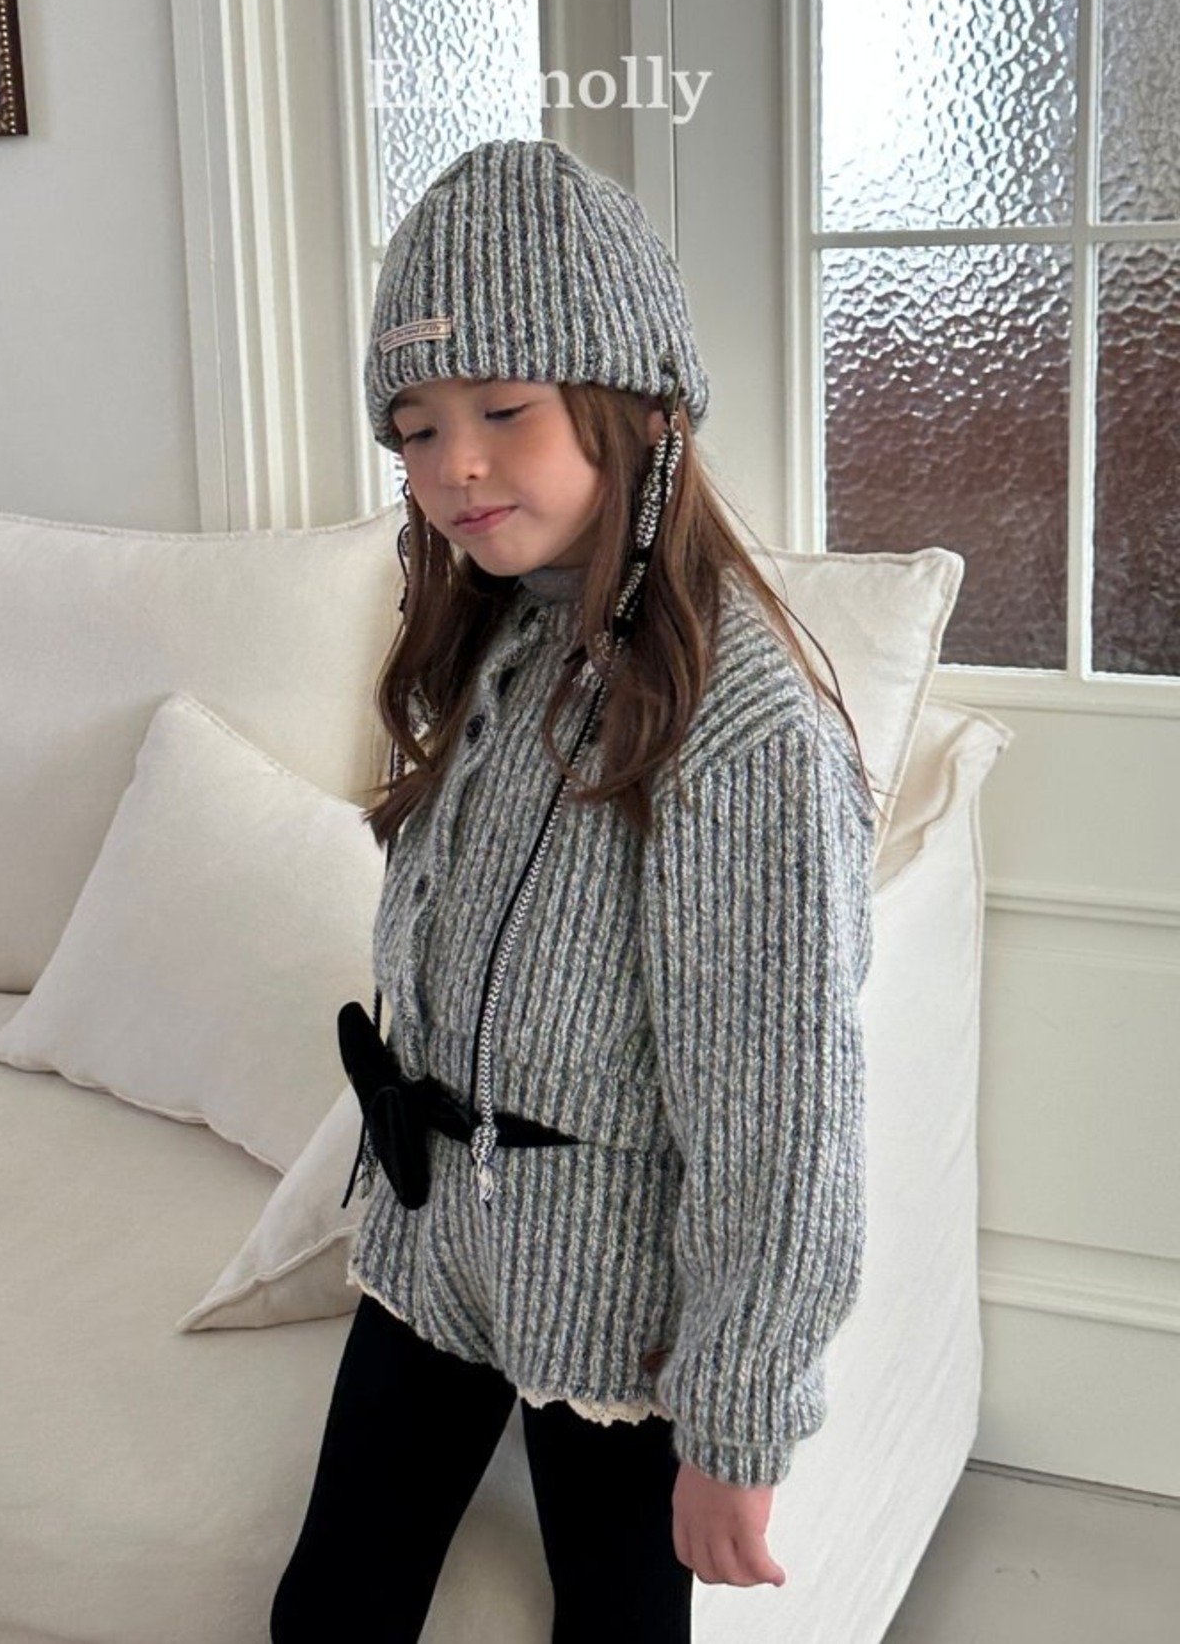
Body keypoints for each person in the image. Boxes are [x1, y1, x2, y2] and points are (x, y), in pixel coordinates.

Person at [270, 137, 879, 1644]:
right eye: (414, 429)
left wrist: (738, 1419)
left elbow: (779, 1113)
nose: (453, 467)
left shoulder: (741, 726)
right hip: (432, 1248)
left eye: (503, 410)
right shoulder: (504, 638)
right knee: (330, 1608)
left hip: (616, 1311)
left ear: (642, 406)